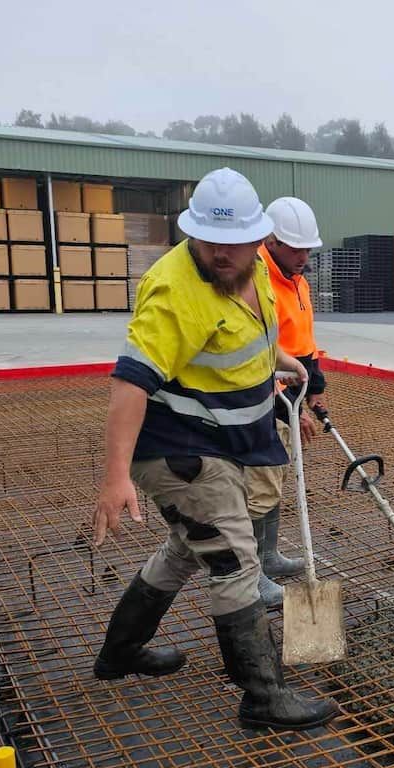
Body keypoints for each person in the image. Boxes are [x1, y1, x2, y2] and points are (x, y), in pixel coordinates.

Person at [90, 167, 338, 731]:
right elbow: (130, 383)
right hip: (180, 449)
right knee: (235, 560)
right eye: (209, 242)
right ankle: (263, 695)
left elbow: (244, 331)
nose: (221, 254)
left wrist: (282, 361)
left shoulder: (257, 271)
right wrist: (115, 476)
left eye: (234, 243)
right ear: (192, 233)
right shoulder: (174, 292)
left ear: (259, 238)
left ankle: (120, 652)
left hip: (223, 443)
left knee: (186, 550)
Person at [245, 197, 326, 607]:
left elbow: (303, 341)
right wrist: (283, 407)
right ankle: (252, 577)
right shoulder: (255, 281)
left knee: (276, 478)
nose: (304, 257)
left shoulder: (297, 279)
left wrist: (314, 388)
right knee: (259, 488)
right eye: (296, 249)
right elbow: (257, 356)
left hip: (290, 391)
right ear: (272, 241)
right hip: (262, 398)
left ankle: (270, 556)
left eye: (307, 249)